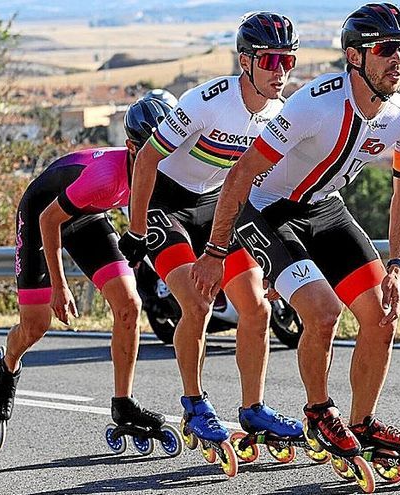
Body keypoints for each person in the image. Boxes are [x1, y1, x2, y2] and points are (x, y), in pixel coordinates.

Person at [191, 2, 400, 469]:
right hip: (265, 212)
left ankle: (363, 423)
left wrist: (398, 265)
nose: (398, 60)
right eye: (385, 49)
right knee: (323, 313)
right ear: (354, 57)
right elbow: (241, 176)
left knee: (383, 314)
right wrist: (216, 250)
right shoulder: (315, 104)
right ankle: (319, 413)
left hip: (325, 210)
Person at [120, 11, 303, 464]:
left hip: (214, 206)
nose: (279, 72)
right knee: (198, 302)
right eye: (270, 61)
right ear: (245, 62)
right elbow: (145, 161)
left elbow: (261, 185)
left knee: (257, 307)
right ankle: (194, 403)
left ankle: (253, 408)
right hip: (165, 203)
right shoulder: (207, 101)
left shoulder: (279, 114)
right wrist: (137, 231)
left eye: (287, 61)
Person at [0, 95, 174, 448]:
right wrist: (60, 286)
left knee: (129, 305)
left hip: (89, 216)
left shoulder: (160, 174)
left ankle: (123, 403)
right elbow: (49, 220)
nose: (162, 159)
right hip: (44, 215)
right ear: (133, 147)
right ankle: (9, 362)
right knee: (36, 325)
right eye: (153, 150)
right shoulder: (105, 176)